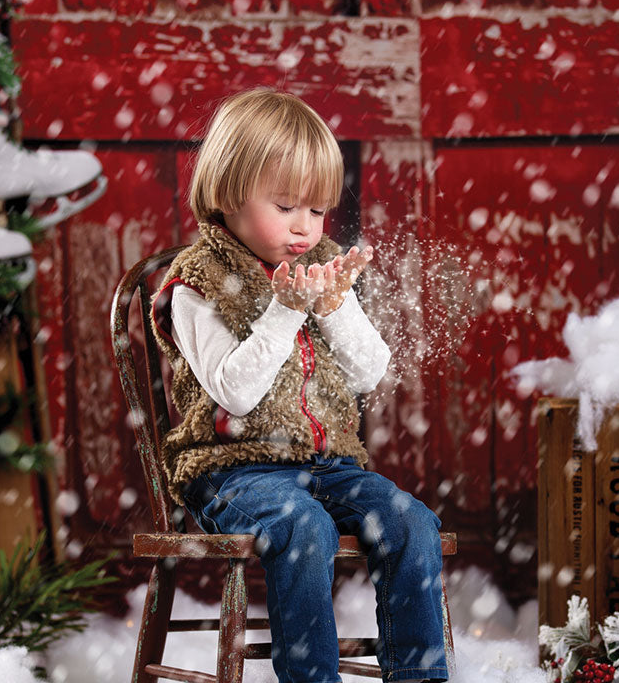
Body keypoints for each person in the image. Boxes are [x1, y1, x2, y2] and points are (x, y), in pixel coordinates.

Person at [148, 88, 449, 683]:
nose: (306, 228)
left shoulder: (323, 267)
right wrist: (285, 311)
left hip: (328, 464)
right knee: (302, 525)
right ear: (229, 193)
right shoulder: (195, 282)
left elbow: (369, 372)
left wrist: (334, 305)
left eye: (317, 210)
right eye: (286, 206)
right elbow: (236, 393)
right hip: (232, 471)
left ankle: (418, 677)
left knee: (411, 521)